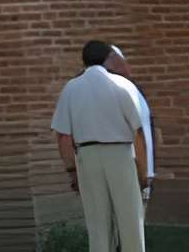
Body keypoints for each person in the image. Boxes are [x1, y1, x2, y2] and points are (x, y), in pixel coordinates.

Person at [52, 37, 150, 252]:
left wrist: (72, 171)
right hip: (120, 154)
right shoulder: (123, 85)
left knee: (98, 223)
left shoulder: (71, 88)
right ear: (107, 58)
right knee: (130, 221)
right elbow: (138, 132)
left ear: (83, 60)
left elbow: (63, 136)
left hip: (88, 156)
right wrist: (142, 171)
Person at [107, 45, 155, 235]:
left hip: (139, 171)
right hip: (127, 171)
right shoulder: (116, 92)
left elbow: (142, 132)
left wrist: (145, 172)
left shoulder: (130, 90)